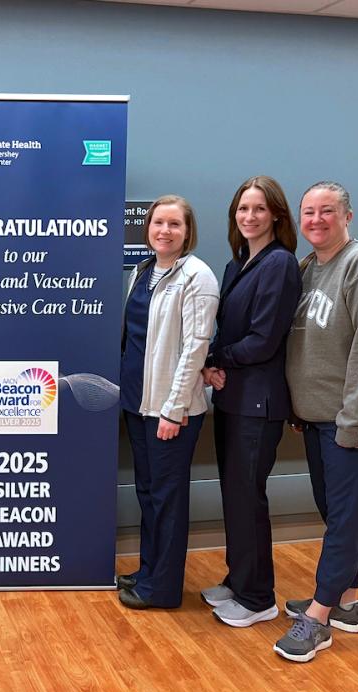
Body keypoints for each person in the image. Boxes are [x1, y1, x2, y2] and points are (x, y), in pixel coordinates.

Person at [275, 181, 358, 662]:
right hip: (319, 420)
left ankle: (318, 618)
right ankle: (348, 603)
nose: (315, 220)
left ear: (347, 216)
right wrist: (300, 407)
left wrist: (352, 423)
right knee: (339, 516)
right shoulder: (309, 268)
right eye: (308, 212)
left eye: (326, 211)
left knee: (344, 522)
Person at [201, 176, 302, 627]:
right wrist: (212, 363)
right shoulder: (237, 264)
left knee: (248, 498)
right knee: (234, 496)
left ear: (276, 216)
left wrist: (216, 358)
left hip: (257, 405)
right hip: (231, 398)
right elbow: (228, 330)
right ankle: (238, 578)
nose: (249, 217)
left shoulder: (279, 264)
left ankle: (258, 597)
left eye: (259, 209)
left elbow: (262, 341)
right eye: (242, 209)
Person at [117, 195, 219, 609]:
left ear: (187, 231)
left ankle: (163, 589)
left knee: (167, 498)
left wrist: (174, 409)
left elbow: (196, 346)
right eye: (158, 222)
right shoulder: (142, 272)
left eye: (174, 224)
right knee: (148, 492)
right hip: (136, 402)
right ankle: (148, 572)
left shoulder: (197, 275)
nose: (165, 230)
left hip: (168, 411)